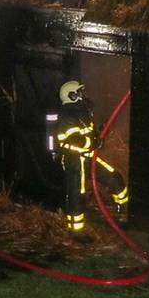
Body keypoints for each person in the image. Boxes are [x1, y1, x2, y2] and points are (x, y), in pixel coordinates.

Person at [53, 80, 129, 236]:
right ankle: (76, 231)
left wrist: (98, 137)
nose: (83, 95)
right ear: (71, 96)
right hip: (74, 160)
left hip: (88, 157)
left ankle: (122, 210)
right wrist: (92, 142)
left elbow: (89, 135)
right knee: (76, 194)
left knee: (114, 177)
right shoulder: (67, 116)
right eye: (79, 92)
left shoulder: (82, 112)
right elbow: (70, 141)